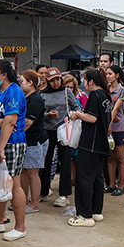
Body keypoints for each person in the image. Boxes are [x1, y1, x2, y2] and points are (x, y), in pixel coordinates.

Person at [0, 59, 29, 241]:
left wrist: (1, 147)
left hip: (11, 144)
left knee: (13, 183)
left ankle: (20, 226)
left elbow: (10, 122)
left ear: (4, 75)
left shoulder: (14, 92)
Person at [67, 69, 112, 226]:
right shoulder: (105, 95)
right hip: (100, 143)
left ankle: (84, 215)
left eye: (85, 80)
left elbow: (92, 118)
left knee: (84, 179)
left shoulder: (95, 95)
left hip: (90, 144)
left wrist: (77, 114)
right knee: (97, 178)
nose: (83, 84)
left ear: (91, 82)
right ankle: (96, 211)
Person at [40, 67, 80, 207]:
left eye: (57, 79)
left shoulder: (66, 91)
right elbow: (40, 114)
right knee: (45, 161)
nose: (56, 82)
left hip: (65, 130)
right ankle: (43, 192)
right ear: (47, 81)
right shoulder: (42, 94)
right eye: (52, 80)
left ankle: (64, 194)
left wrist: (73, 116)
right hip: (48, 130)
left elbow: (76, 107)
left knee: (65, 162)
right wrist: (48, 115)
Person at [19, 70, 48, 212]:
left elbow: (28, 123)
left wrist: (12, 133)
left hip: (35, 141)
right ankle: (24, 200)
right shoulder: (27, 97)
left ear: (30, 83)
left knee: (32, 172)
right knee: (25, 171)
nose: (20, 84)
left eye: (22, 81)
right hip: (28, 141)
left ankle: (35, 203)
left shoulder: (35, 99)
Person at [105, 65, 124, 195]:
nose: (108, 76)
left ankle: (121, 185)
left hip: (119, 128)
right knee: (110, 158)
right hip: (108, 128)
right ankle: (111, 184)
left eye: (110, 73)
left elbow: (115, 108)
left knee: (121, 158)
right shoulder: (105, 90)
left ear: (117, 75)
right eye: (107, 74)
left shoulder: (123, 90)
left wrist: (109, 123)